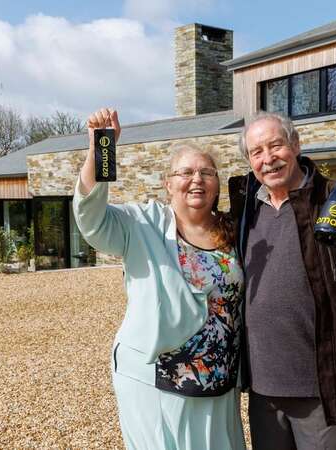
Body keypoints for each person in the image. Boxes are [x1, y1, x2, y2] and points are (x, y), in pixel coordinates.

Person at [228, 112, 336, 450]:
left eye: (276, 145)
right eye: (256, 152)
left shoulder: (332, 197)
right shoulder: (246, 207)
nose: (268, 158)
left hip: (325, 387)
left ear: (295, 145)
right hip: (264, 391)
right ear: (249, 160)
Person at [73, 108, 245, 450]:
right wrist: (101, 148)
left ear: (216, 184)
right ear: (168, 183)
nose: (197, 179)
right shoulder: (142, 224)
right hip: (157, 377)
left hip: (219, 379)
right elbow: (92, 221)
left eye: (206, 172)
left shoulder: (233, 230)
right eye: (186, 172)